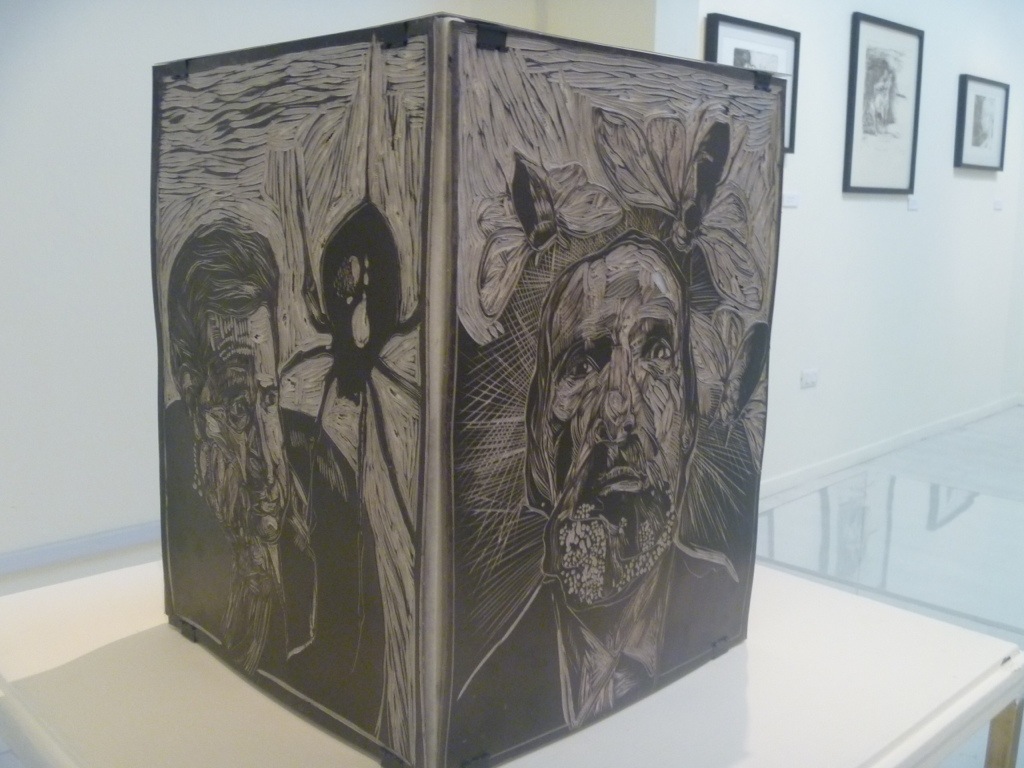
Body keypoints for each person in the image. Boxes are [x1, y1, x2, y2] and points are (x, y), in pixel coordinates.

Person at [450, 231, 743, 764]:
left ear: (689, 422)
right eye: (583, 365)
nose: (618, 412)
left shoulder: (721, 596)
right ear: (541, 438)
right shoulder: (487, 697)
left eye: (656, 353)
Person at [163, 221, 383, 732]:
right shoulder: (176, 462)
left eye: (269, 397)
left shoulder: (323, 473)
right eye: (239, 407)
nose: (268, 451)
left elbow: (361, 673)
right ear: (191, 388)